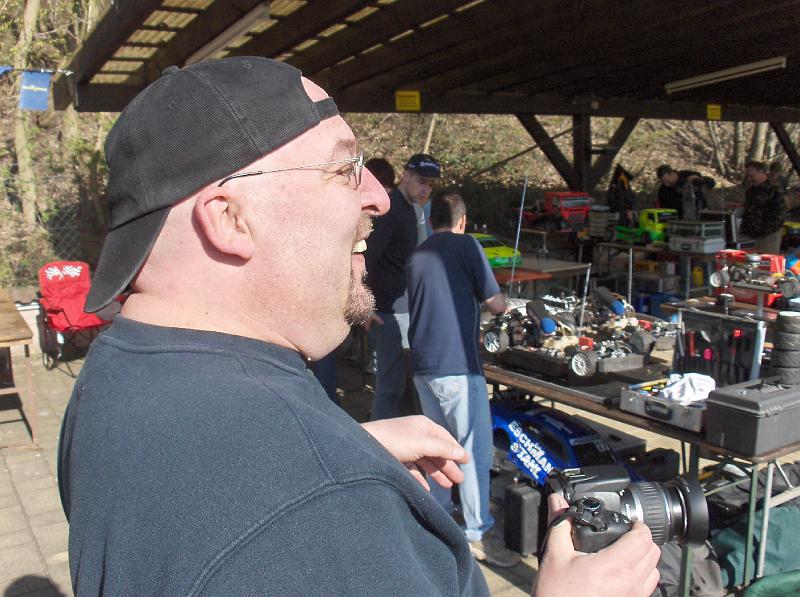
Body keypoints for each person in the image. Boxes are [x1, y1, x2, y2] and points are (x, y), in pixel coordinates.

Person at [58, 57, 660, 597]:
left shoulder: (114, 378)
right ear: (229, 219)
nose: (378, 196)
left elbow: (208, 498)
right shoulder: (321, 518)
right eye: (345, 167)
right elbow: (275, 520)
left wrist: (340, 445)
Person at [406, 191, 517, 567]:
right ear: (463, 221)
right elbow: (496, 303)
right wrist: (506, 304)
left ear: (429, 219)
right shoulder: (467, 245)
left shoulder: (418, 254)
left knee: (439, 449)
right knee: (472, 452)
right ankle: (477, 532)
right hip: (457, 365)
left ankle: (438, 521)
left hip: (423, 365)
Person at [363, 153, 440, 420]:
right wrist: (365, 305)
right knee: (389, 386)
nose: (425, 189)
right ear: (406, 176)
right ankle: (379, 440)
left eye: (430, 185)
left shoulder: (411, 210)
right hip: (387, 311)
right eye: (421, 181)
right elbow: (366, 257)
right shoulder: (390, 210)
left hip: (404, 309)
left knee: (405, 385)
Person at [741, 160, 787, 255]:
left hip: (768, 235)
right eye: (748, 176)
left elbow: (780, 212)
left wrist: (767, 229)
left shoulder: (774, 189)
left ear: (761, 172)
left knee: (766, 260)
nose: (749, 179)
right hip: (750, 233)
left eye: (752, 176)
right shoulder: (751, 191)